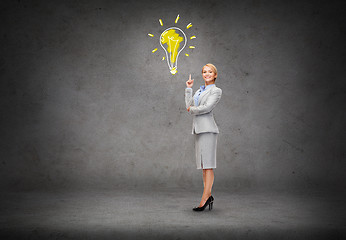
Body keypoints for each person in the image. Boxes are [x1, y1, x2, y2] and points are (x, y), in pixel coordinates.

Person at [185, 63, 222, 211]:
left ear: (215, 75)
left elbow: (207, 108)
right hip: (198, 130)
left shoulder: (216, 91)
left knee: (208, 166)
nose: (207, 74)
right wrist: (189, 89)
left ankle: (205, 198)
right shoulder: (199, 91)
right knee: (203, 167)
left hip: (208, 130)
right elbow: (188, 105)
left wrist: (191, 109)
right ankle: (208, 196)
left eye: (210, 72)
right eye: (204, 72)